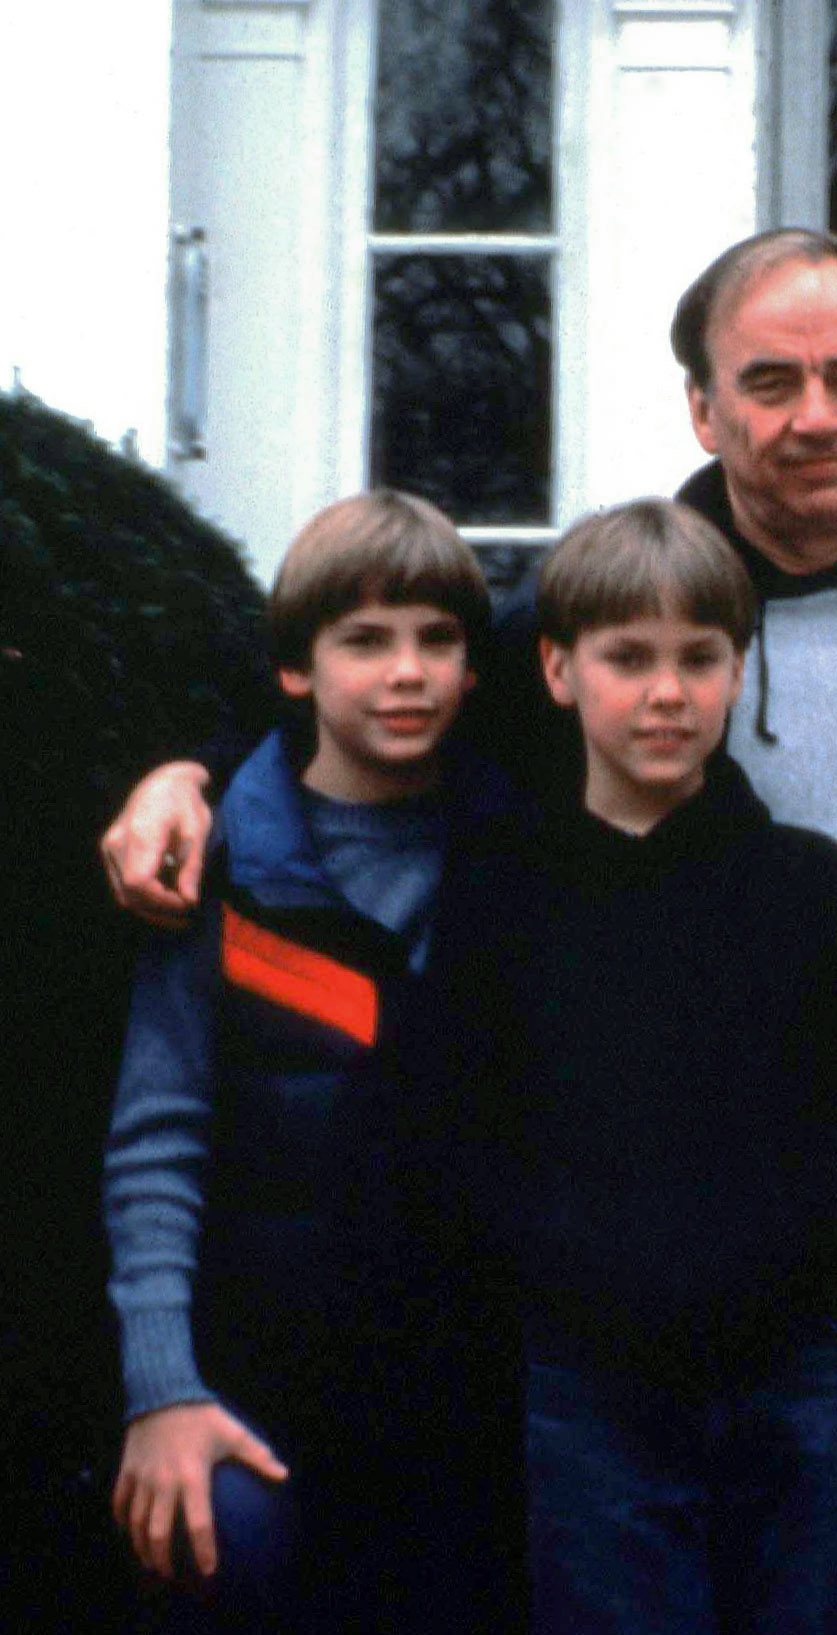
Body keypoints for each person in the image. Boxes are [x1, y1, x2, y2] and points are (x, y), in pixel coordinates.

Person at [99, 227, 837, 1634]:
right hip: (592, 1296)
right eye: (770, 381)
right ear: (704, 409)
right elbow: (367, 681)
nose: (816, 416)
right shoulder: (605, 605)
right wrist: (194, 771)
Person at [418, 498, 837, 1635]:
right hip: (589, 1387)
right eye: (627, 659)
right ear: (556, 671)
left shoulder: (804, 886)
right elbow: (457, 1128)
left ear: (737, 673)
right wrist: (579, 1272)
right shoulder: (505, 894)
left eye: (699, 659)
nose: (666, 693)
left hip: (792, 1373)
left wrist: (770, 1267)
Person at [101, 491, 505, 1631]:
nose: (407, 671)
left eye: (437, 639)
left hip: (474, 1403)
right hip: (263, 1388)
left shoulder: (522, 852)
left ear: (476, 670)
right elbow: (155, 1142)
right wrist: (163, 1389)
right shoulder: (218, 863)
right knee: (217, 1540)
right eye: (364, 640)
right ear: (295, 670)